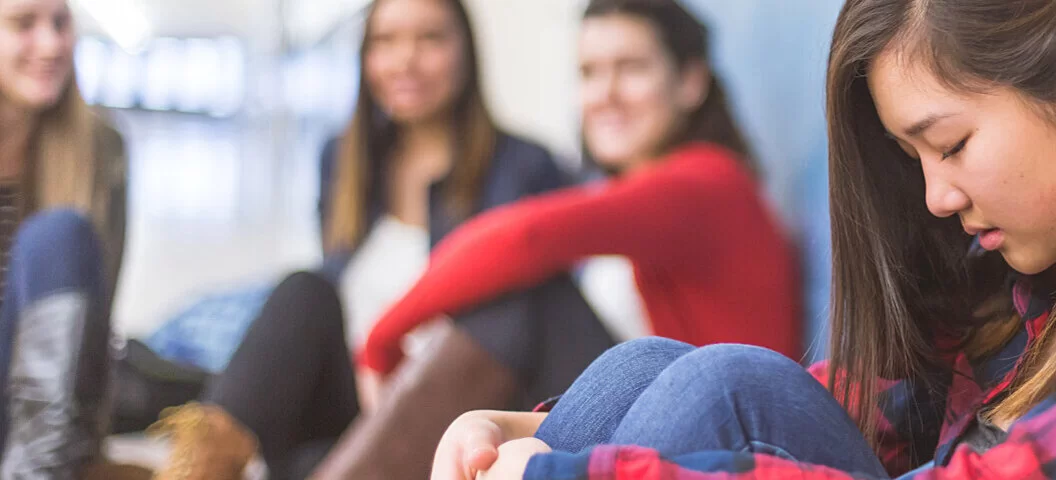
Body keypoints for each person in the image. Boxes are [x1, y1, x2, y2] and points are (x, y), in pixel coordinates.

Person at [431, 0, 1056, 479]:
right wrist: (533, 435)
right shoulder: (1040, 288)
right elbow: (836, 401)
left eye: (951, 144)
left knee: (717, 389)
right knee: (657, 369)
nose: (933, 196)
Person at [144, 0, 608, 478]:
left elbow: (522, 326)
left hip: (458, 409)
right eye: (385, 41)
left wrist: (384, 346)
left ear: (465, 52)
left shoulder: (524, 167)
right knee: (304, 290)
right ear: (366, 58)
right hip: (354, 409)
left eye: (429, 39)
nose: (405, 59)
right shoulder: (343, 163)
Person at [353, 0, 800, 385]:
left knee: (528, 294)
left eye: (632, 68)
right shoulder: (648, 191)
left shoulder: (707, 181)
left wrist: (381, 340)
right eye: (589, 72)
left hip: (715, 439)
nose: (605, 94)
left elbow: (524, 237)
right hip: (676, 418)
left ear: (690, 82)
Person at [0, 0, 132, 477]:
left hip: (46, 431)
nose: (51, 43)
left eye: (61, 23)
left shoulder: (102, 151)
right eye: (23, 24)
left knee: (60, 234)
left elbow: (91, 331)